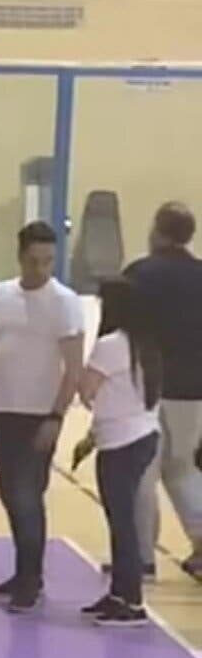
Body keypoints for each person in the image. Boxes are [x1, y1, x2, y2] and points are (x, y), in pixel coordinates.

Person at [0, 221, 84, 613]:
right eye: (34, 261)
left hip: (40, 415)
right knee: (10, 493)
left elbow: (73, 366)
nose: (41, 269)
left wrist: (56, 416)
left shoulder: (65, 303)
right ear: (20, 257)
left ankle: (30, 580)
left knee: (26, 496)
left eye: (48, 261)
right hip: (3, 411)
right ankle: (23, 571)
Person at [76, 277, 161, 626]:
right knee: (121, 519)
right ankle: (119, 592)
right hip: (142, 436)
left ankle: (131, 600)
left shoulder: (110, 345)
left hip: (120, 444)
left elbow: (86, 391)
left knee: (121, 522)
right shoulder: (147, 345)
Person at [123, 202, 202, 576]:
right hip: (194, 391)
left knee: (143, 473)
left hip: (146, 386)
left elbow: (121, 329)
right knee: (182, 469)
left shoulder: (140, 274)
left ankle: (141, 557)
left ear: (158, 230)